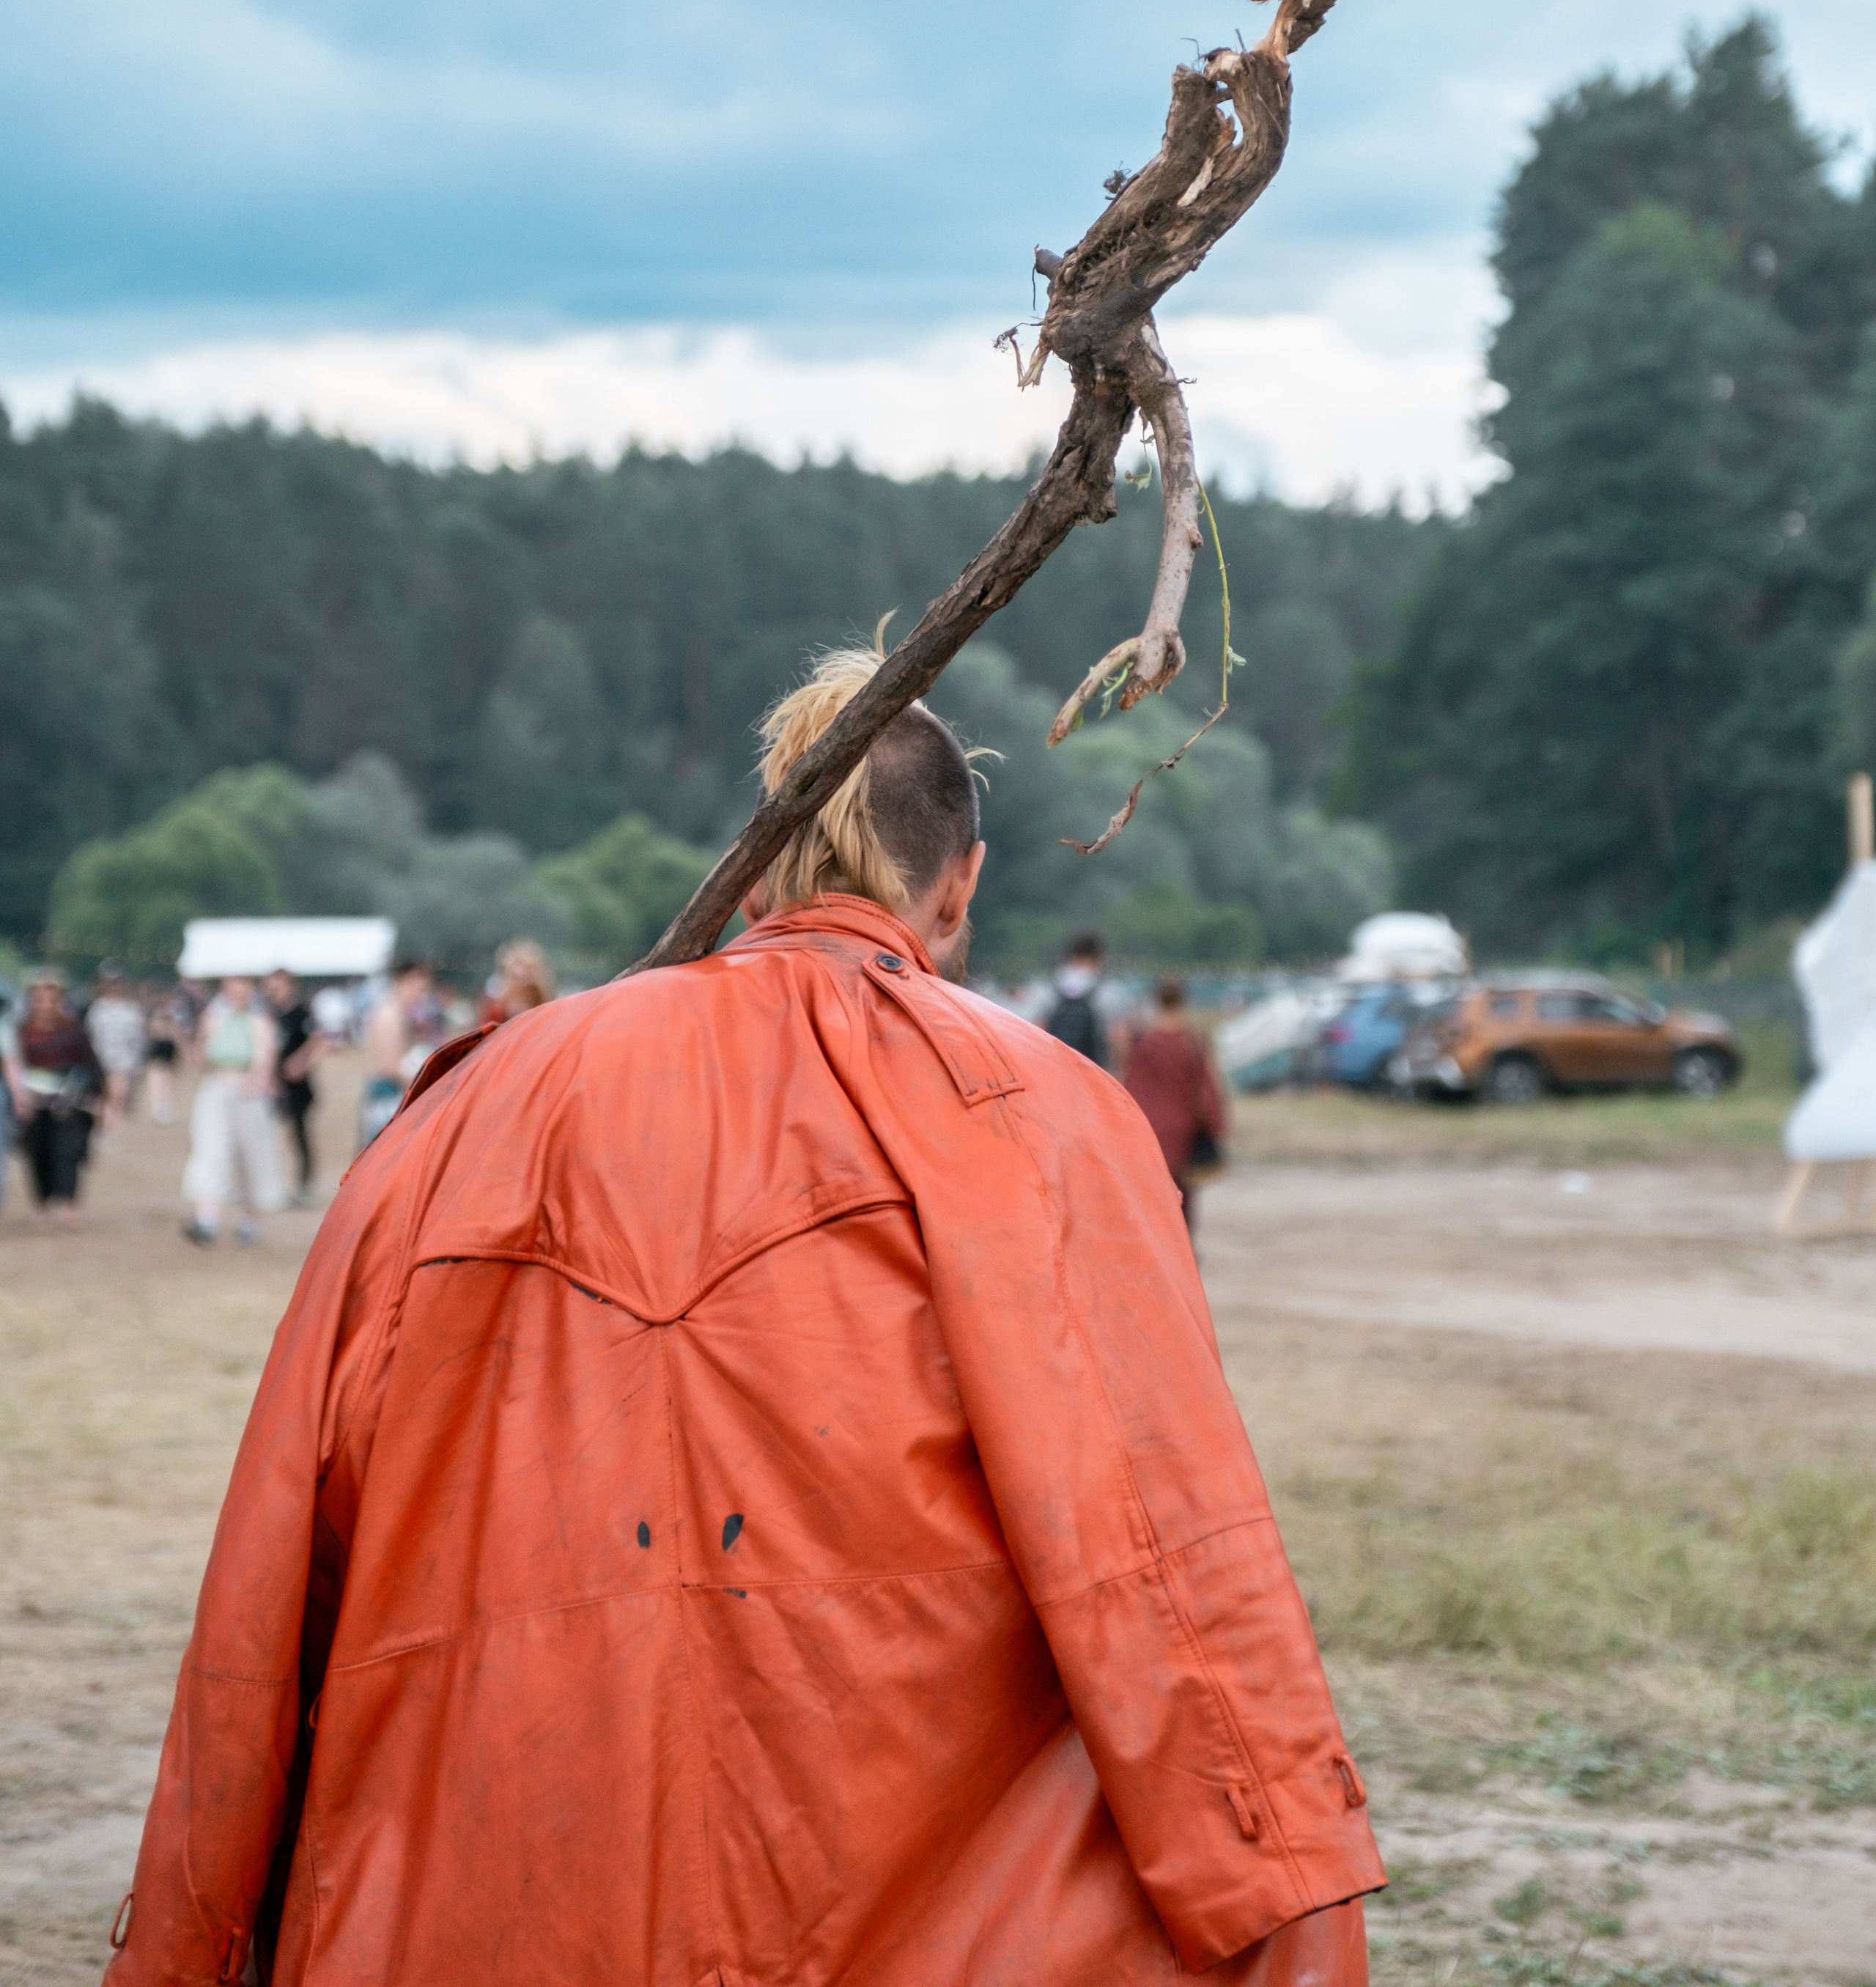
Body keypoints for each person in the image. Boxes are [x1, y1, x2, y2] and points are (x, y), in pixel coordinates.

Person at [107, 644, 1380, 1986]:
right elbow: (1163, 1570)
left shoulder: (464, 1113)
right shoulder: (1048, 1119)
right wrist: (1287, 1902)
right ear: (965, 886)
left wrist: (197, 1935)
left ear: (765, 869)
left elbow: (270, 1582)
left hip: (486, 1904)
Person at [182, 976, 287, 1246]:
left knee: (252, 1154)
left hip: (247, 1093)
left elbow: (266, 1056)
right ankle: (207, 1218)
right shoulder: (214, 1018)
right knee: (212, 1150)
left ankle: (248, 1220)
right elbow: (200, 1058)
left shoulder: (259, 1021)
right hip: (217, 1088)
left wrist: (258, 1081)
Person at [1123, 976, 1230, 1234]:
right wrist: (1215, 1125)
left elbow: (1132, 1085)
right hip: (1184, 1128)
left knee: (1153, 1198)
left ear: (1157, 1000)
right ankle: (1184, 1253)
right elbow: (1207, 1087)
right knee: (1184, 1199)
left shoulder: (1145, 1041)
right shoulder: (1193, 1040)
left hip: (1152, 1127)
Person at [7, 970, 103, 1230]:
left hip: (69, 1104)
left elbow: (91, 1063)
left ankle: (69, 1205)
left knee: (67, 1154)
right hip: (33, 1104)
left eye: (52, 999)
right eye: (41, 999)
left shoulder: (73, 1030)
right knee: (37, 1155)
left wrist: (95, 1096)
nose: (46, 1005)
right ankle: (41, 1206)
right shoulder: (22, 1031)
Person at [356, 958, 431, 1149]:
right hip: (386, 1098)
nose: (420, 995)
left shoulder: (395, 1013)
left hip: (389, 1095)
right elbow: (389, 1066)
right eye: (418, 989)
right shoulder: (389, 1015)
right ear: (402, 981)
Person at [265, 970, 320, 1206]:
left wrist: (300, 1062)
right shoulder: (270, 1014)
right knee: (268, 1135)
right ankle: (270, 1185)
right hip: (273, 1086)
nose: (273, 990)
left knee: (299, 1136)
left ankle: (302, 1186)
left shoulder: (300, 1011)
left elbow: (318, 1038)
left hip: (298, 1087)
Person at [1038, 927, 1112, 1066]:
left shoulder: (1053, 985)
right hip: (1093, 1068)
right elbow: (1115, 1035)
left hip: (1058, 1066)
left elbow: (1038, 1027)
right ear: (1098, 956)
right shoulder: (1104, 989)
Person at [86, 964, 147, 1129]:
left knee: (120, 1094)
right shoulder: (97, 1009)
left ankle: (117, 1126)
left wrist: (139, 1058)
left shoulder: (130, 1009)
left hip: (124, 1059)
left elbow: (138, 1037)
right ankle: (109, 1126)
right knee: (107, 1095)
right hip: (102, 1058)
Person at [141, 981, 193, 1127]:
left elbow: (177, 1033)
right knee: (157, 1075)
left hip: (168, 1047)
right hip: (158, 1047)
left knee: (168, 1076)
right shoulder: (153, 1013)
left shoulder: (171, 1013)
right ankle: (158, 1104)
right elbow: (151, 1031)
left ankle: (165, 1105)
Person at [486, 936, 553, 1023]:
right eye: (514, 966)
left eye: (523, 965)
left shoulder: (546, 1005)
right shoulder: (496, 1011)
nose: (519, 971)